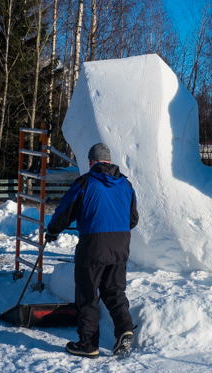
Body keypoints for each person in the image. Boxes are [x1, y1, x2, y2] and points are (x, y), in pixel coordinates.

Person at [45, 142, 139, 358]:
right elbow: (133, 219)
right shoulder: (126, 184)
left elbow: (65, 212)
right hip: (120, 245)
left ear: (91, 162)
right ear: (109, 160)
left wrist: (52, 231)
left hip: (93, 245)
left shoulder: (85, 182)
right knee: (114, 290)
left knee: (88, 295)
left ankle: (88, 345)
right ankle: (124, 329)